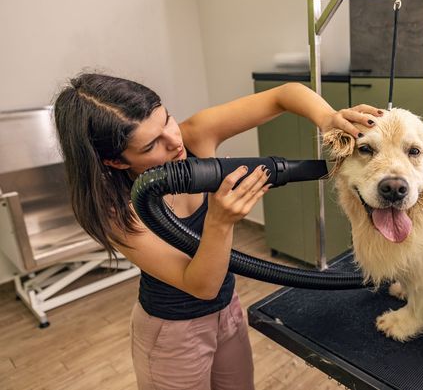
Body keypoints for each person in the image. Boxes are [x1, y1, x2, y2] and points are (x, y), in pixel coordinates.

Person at [53, 73, 381, 390]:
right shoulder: (115, 210)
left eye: (166, 119)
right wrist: (220, 222)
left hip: (228, 312)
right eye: (152, 143)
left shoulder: (193, 134)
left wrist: (327, 119)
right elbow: (201, 285)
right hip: (172, 332)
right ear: (117, 162)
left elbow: (286, 94)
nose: (174, 140)